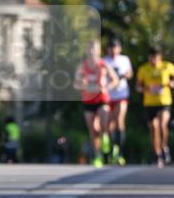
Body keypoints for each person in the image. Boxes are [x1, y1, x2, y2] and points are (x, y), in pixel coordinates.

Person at [73, 40, 119, 168]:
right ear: (87, 50)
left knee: (104, 123)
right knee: (93, 130)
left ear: (99, 50)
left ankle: (106, 140)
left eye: (95, 48)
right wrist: (82, 85)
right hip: (88, 100)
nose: (92, 51)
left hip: (102, 98)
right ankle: (97, 155)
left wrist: (107, 87)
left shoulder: (104, 65)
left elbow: (115, 80)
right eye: (90, 48)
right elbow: (75, 84)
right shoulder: (82, 66)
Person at [135, 46, 174, 167]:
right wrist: (147, 89)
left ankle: (164, 146)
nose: (154, 60)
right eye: (152, 57)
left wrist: (169, 84)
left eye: (156, 57)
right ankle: (157, 154)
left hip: (164, 102)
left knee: (162, 124)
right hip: (150, 103)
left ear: (160, 57)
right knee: (153, 128)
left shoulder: (167, 66)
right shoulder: (143, 69)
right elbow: (138, 86)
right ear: (149, 57)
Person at [103, 36, 133, 165]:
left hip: (121, 94)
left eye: (115, 48)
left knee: (120, 120)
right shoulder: (104, 61)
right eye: (111, 48)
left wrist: (125, 75)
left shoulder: (124, 59)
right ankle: (110, 151)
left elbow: (130, 73)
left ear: (119, 49)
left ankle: (120, 152)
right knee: (108, 125)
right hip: (108, 96)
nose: (113, 50)